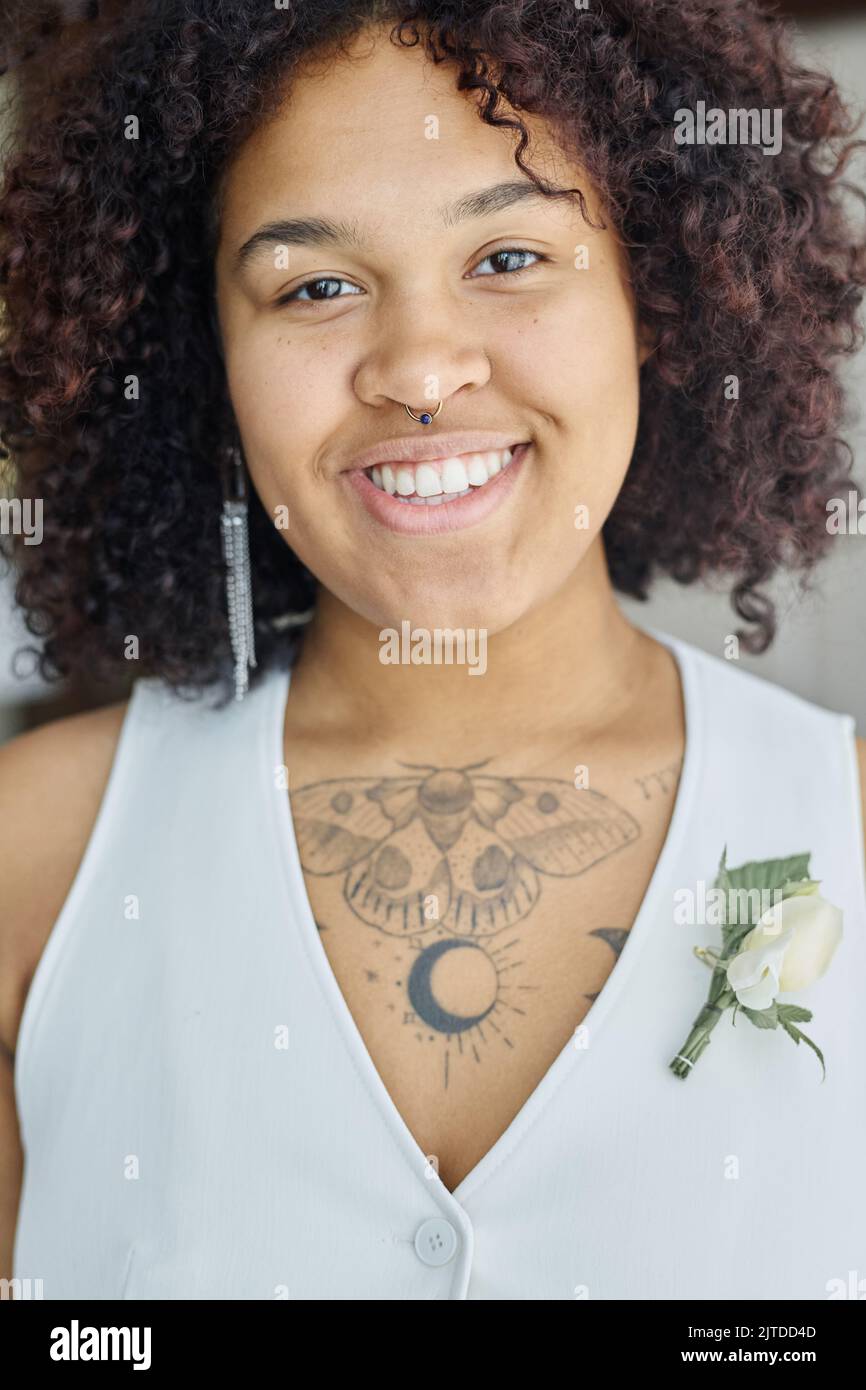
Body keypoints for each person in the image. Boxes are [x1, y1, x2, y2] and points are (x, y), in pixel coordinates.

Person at [1, 0, 865, 1301]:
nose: (418, 369)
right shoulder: (34, 855)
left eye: (509, 256)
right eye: (317, 286)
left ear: (657, 292)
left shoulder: (845, 821)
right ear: (202, 360)